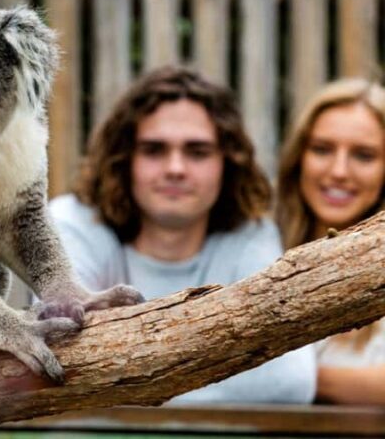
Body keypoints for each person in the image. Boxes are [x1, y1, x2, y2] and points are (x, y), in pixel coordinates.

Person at [50, 66, 316, 403]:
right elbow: (64, 359)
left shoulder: (250, 236)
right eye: (154, 150)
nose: (175, 168)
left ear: (227, 162)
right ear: (125, 158)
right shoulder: (75, 222)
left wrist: (123, 385)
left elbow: (289, 382)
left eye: (197, 152)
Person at [276, 77, 385, 405]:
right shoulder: (258, 247)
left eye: (363, 156)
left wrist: (278, 377)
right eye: (322, 149)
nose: (339, 171)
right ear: (299, 158)